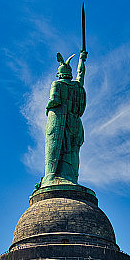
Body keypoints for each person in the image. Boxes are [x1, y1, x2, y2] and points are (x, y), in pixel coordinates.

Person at [42, 49, 87, 186]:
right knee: (73, 150)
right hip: (76, 122)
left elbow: (54, 101)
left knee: (59, 148)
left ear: (59, 74)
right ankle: (72, 177)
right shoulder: (77, 86)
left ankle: (57, 175)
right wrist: (81, 60)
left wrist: (48, 109)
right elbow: (81, 75)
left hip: (63, 121)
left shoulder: (57, 84)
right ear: (69, 74)